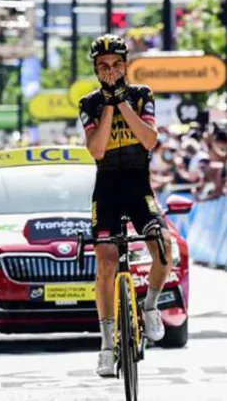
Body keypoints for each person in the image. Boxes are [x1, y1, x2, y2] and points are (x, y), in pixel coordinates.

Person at [78, 34, 169, 377]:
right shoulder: (89, 103)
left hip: (137, 183)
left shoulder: (142, 94)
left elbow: (148, 139)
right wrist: (109, 106)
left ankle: (149, 306)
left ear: (126, 66)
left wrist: (123, 102)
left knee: (162, 247)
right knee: (106, 261)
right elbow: (98, 150)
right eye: (104, 67)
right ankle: (104, 344)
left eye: (116, 65)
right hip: (108, 188)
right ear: (96, 70)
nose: (111, 71)